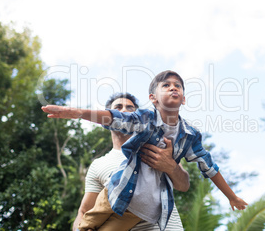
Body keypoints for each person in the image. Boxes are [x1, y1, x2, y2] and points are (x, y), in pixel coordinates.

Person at [42, 70, 248, 231]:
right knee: (88, 225)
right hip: (117, 192)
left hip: (145, 211)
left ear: (184, 99)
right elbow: (116, 118)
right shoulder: (145, 121)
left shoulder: (189, 136)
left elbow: (208, 168)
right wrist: (79, 113)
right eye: (166, 85)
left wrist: (231, 196)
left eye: (177, 86)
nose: (173, 88)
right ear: (153, 98)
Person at [71, 92, 189, 231]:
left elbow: (184, 185)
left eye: (130, 108)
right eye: (118, 107)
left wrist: (171, 167)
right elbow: (84, 211)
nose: (124, 111)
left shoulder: (159, 146)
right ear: (106, 118)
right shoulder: (98, 165)